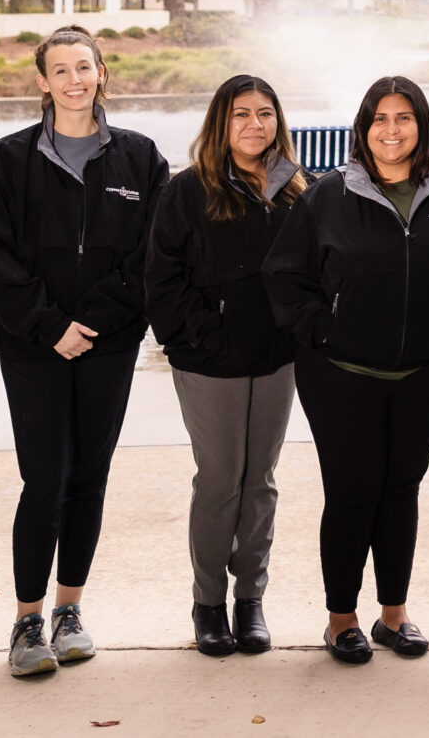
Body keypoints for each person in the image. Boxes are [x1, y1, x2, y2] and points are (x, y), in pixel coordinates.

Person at [0, 26, 169, 678]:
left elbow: (152, 254)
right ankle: (27, 619)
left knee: (88, 478)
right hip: (33, 348)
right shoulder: (7, 160)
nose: (74, 80)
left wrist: (92, 321)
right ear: (42, 81)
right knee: (44, 480)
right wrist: (49, 324)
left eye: (83, 67)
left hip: (108, 347)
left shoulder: (141, 159)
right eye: (60, 70)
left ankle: (69, 610)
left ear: (101, 72)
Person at [265, 75, 429, 665]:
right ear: (364, 128)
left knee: (402, 490)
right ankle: (341, 619)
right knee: (353, 491)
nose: (392, 130)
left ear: (422, 127)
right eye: (380, 118)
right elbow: (284, 276)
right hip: (340, 373)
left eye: (404, 118)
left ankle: (394, 615)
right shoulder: (328, 196)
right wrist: (325, 330)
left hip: (422, 372)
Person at [144, 74, 307, 658]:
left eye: (265, 114)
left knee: (259, 482)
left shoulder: (294, 189)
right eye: (241, 114)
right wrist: (202, 339)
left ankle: (250, 600)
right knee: (219, 480)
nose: (254, 125)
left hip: (277, 359)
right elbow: (162, 279)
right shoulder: (188, 190)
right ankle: (209, 603)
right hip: (209, 361)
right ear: (221, 122)